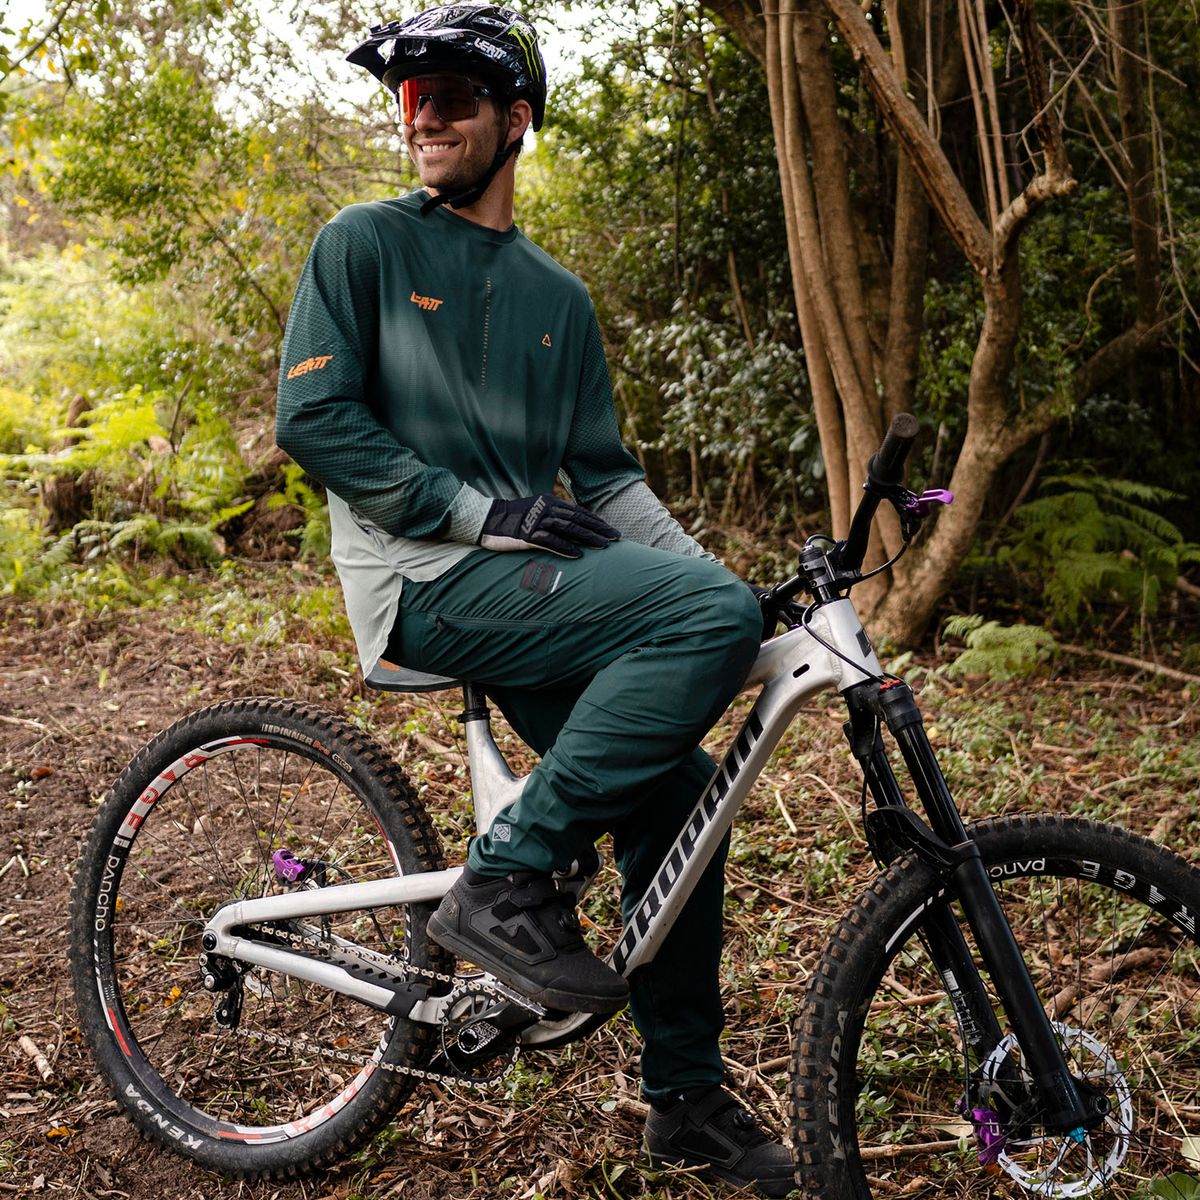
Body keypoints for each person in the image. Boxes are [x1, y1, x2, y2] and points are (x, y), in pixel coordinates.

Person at [275, 5, 793, 1195]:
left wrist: (719, 585)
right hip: (426, 580)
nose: (424, 117)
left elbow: (605, 481)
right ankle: (505, 878)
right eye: (411, 98)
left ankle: (684, 1099)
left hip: (528, 583)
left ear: (516, 121)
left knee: (681, 796)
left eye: (452, 97)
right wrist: (478, 511)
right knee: (703, 623)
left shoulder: (559, 298)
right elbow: (313, 419)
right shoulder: (364, 244)